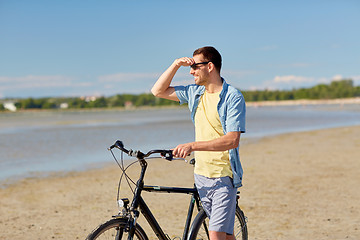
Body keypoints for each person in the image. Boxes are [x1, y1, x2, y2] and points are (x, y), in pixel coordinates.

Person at [151, 46, 246, 240]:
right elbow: (157, 91)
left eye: (195, 66)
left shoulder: (232, 97)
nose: (191, 71)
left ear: (209, 66)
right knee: (226, 235)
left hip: (223, 176)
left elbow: (232, 140)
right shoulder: (195, 93)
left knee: (215, 234)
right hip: (201, 174)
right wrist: (176, 64)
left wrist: (192, 146)